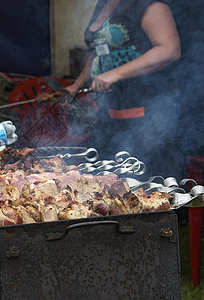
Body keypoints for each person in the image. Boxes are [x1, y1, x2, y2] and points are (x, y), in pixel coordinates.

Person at [64, 0, 184, 179]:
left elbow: (169, 49)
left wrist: (115, 74)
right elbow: (98, 51)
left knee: (146, 183)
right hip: (109, 112)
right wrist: (76, 85)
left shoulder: (144, 3)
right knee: (106, 181)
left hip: (148, 111)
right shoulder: (102, 4)